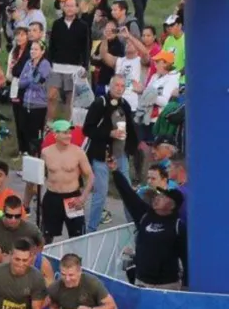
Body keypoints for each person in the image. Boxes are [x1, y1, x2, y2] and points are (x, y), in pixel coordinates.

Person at [109, 161, 188, 289]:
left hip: (167, 285)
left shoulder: (178, 226)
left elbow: (186, 257)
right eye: (159, 195)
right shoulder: (145, 215)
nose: (158, 198)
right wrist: (115, 171)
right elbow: (128, 194)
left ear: (172, 205)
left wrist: (185, 284)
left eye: (163, 197)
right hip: (142, 282)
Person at [83, 76, 138, 233]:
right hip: (102, 155)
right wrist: (109, 133)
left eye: (122, 86)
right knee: (101, 193)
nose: (119, 88)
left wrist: (131, 148)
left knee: (127, 191)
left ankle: (133, 226)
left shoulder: (125, 104)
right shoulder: (100, 103)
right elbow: (87, 129)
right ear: (110, 86)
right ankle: (91, 230)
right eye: (116, 85)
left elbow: (131, 129)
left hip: (120, 155)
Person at [40, 120, 93, 241]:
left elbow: (90, 176)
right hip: (52, 197)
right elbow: (39, 176)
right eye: (65, 133)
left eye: (69, 133)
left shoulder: (78, 152)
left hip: (72, 198)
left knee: (77, 237)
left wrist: (83, 197)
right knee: (46, 236)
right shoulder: (46, 152)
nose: (69, 136)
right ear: (55, 134)